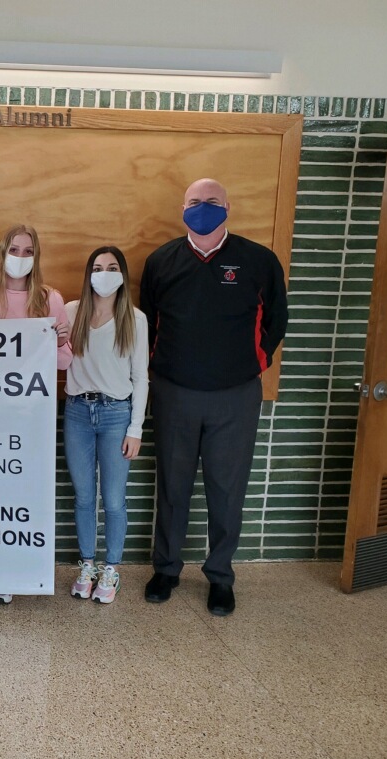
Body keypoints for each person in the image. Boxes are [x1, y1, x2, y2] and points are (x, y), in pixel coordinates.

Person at [140, 178, 288, 616]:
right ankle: (166, 569)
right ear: (181, 208)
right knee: (172, 485)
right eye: (193, 202)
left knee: (228, 490)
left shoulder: (258, 260)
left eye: (211, 202)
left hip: (235, 397)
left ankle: (221, 575)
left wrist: (250, 366)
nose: (202, 208)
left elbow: (276, 320)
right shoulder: (161, 261)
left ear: (229, 207)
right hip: (174, 393)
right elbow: (147, 323)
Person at [0, 224, 72, 604]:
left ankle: (8, 570)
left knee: (16, 494)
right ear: (1, 252)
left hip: (29, 418)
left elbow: (64, 361)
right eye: (15, 249)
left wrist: (58, 341)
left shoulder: (49, 299)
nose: (21, 257)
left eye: (29, 251)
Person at [62, 246, 148, 605]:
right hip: (77, 412)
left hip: (116, 415)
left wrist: (136, 428)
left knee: (113, 500)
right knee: (84, 496)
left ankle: (111, 567)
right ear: (88, 273)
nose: (104, 273)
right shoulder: (70, 312)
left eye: (112, 268)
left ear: (123, 275)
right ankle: (87, 564)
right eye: (97, 267)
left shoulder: (134, 318)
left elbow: (141, 377)